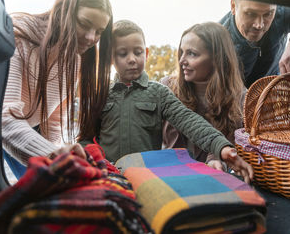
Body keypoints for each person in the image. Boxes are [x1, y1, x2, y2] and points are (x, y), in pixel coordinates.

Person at [79, 20, 254, 183]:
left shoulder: (159, 92)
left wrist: (221, 147)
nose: (132, 59)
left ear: (146, 53)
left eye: (138, 52)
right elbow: (86, 138)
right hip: (106, 175)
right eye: (122, 53)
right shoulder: (100, 94)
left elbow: (189, 121)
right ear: (110, 58)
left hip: (147, 178)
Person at [2, 0, 113, 179]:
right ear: (64, 11)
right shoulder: (19, 35)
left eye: (99, 31)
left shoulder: (76, 61)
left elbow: (53, 122)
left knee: (53, 184)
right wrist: (54, 157)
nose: (91, 37)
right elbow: (4, 117)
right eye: (84, 24)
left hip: (27, 126)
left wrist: (58, 160)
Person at [161, 22, 246, 171]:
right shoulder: (167, 88)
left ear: (216, 58)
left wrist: (217, 161)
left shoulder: (240, 99)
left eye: (192, 53)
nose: (182, 61)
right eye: (182, 52)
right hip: (168, 172)